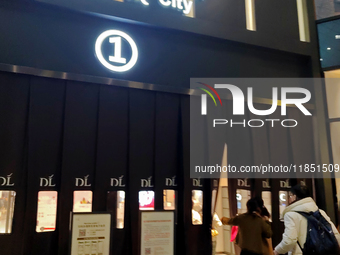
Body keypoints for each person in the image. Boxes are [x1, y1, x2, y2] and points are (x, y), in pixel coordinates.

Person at [274, 184, 340, 255]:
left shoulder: (290, 215)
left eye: (290, 195)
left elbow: (289, 240)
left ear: (294, 197)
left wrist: (277, 250)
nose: (289, 198)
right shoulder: (321, 212)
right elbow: (335, 234)